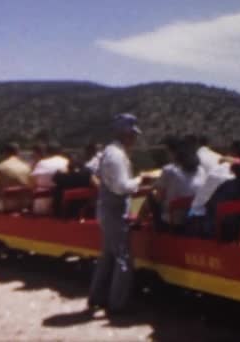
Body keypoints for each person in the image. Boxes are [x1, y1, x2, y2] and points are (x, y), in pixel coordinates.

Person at [88, 112, 143, 315]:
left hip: (106, 207)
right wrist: (140, 180)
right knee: (122, 258)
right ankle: (117, 304)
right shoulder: (117, 155)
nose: (135, 138)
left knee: (108, 256)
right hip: (115, 209)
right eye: (133, 134)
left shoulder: (108, 151)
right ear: (125, 134)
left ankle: (97, 297)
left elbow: (91, 169)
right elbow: (122, 187)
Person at [144, 136, 207, 233]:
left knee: (150, 197)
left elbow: (159, 198)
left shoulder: (170, 170)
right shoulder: (201, 170)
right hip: (193, 219)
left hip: (172, 223)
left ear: (175, 153)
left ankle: (139, 223)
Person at [0, 142, 32, 212]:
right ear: (18, 152)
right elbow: (31, 186)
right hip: (24, 203)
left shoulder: (0, 166)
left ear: (6, 152)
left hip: (7, 204)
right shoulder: (27, 166)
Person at [30, 140, 69, 214]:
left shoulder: (41, 163)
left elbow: (32, 183)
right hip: (61, 200)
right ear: (61, 152)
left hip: (42, 200)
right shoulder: (67, 162)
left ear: (47, 152)